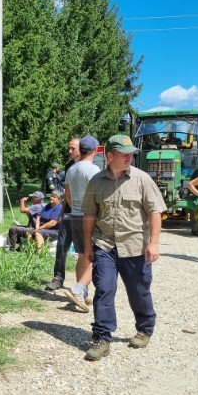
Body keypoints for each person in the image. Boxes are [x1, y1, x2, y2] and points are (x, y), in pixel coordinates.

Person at [81, 135, 167, 361]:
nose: (130, 156)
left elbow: (155, 212)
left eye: (131, 153)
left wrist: (154, 242)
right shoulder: (96, 181)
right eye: (124, 153)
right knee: (104, 289)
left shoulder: (142, 179)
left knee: (139, 291)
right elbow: (90, 214)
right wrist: (87, 245)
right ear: (110, 156)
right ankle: (102, 338)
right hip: (104, 244)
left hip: (135, 246)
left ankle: (145, 328)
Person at [63, 136, 101, 311]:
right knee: (94, 256)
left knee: (82, 255)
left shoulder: (71, 169)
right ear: (95, 150)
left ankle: (81, 292)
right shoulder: (93, 170)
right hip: (89, 217)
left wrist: (75, 208)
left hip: (75, 215)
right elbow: (99, 196)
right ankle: (78, 291)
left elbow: (68, 194)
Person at [46, 138, 81, 290]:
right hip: (68, 212)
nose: (69, 151)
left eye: (73, 148)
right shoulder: (68, 166)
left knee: (85, 250)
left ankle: (82, 285)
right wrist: (62, 209)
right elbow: (67, 191)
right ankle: (58, 277)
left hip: (84, 213)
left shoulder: (90, 166)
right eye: (69, 148)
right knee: (62, 245)